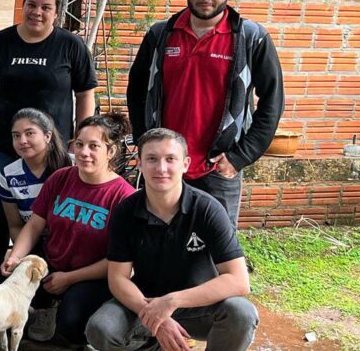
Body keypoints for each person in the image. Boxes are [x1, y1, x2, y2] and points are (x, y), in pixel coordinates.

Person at [127, 0, 284, 227]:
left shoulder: (251, 38)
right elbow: (137, 92)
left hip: (218, 166)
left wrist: (240, 156)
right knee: (157, 240)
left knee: (216, 252)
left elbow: (273, 101)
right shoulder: (160, 34)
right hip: (165, 164)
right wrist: (144, 144)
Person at [0, 0, 97, 283]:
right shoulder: (0, 43)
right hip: (5, 145)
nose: (37, 12)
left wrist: (83, 140)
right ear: (22, 5)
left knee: (54, 216)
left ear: (57, 13)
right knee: (0, 213)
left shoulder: (71, 46)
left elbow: (84, 95)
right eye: (31, 5)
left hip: (56, 151)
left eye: (46, 7)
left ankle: (47, 284)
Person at [86, 128, 258, 351]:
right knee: (101, 328)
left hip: (198, 304)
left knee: (242, 313)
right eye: (151, 159)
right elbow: (118, 279)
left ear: (185, 164)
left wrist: (172, 301)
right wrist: (157, 317)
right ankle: (150, 344)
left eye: (170, 159)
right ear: (139, 163)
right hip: (145, 302)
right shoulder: (125, 211)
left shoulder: (207, 209)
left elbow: (238, 281)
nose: (161, 168)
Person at [1, 113, 135, 345]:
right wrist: (16, 257)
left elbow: (119, 262)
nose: (84, 152)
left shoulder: (124, 196)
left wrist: (70, 279)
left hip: (93, 274)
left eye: (94, 146)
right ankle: (46, 306)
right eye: (80, 144)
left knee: (71, 324)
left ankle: (86, 316)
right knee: (0, 280)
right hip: (52, 262)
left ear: (110, 152)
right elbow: (34, 225)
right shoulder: (61, 177)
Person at [0, 108, 71, 243]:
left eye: (29, 133)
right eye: (16, 136)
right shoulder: (7, 175)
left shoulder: (73, 165)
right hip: (32, 244)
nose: (22, 141)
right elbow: (15, 226)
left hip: (70, 244)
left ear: (47, 136)